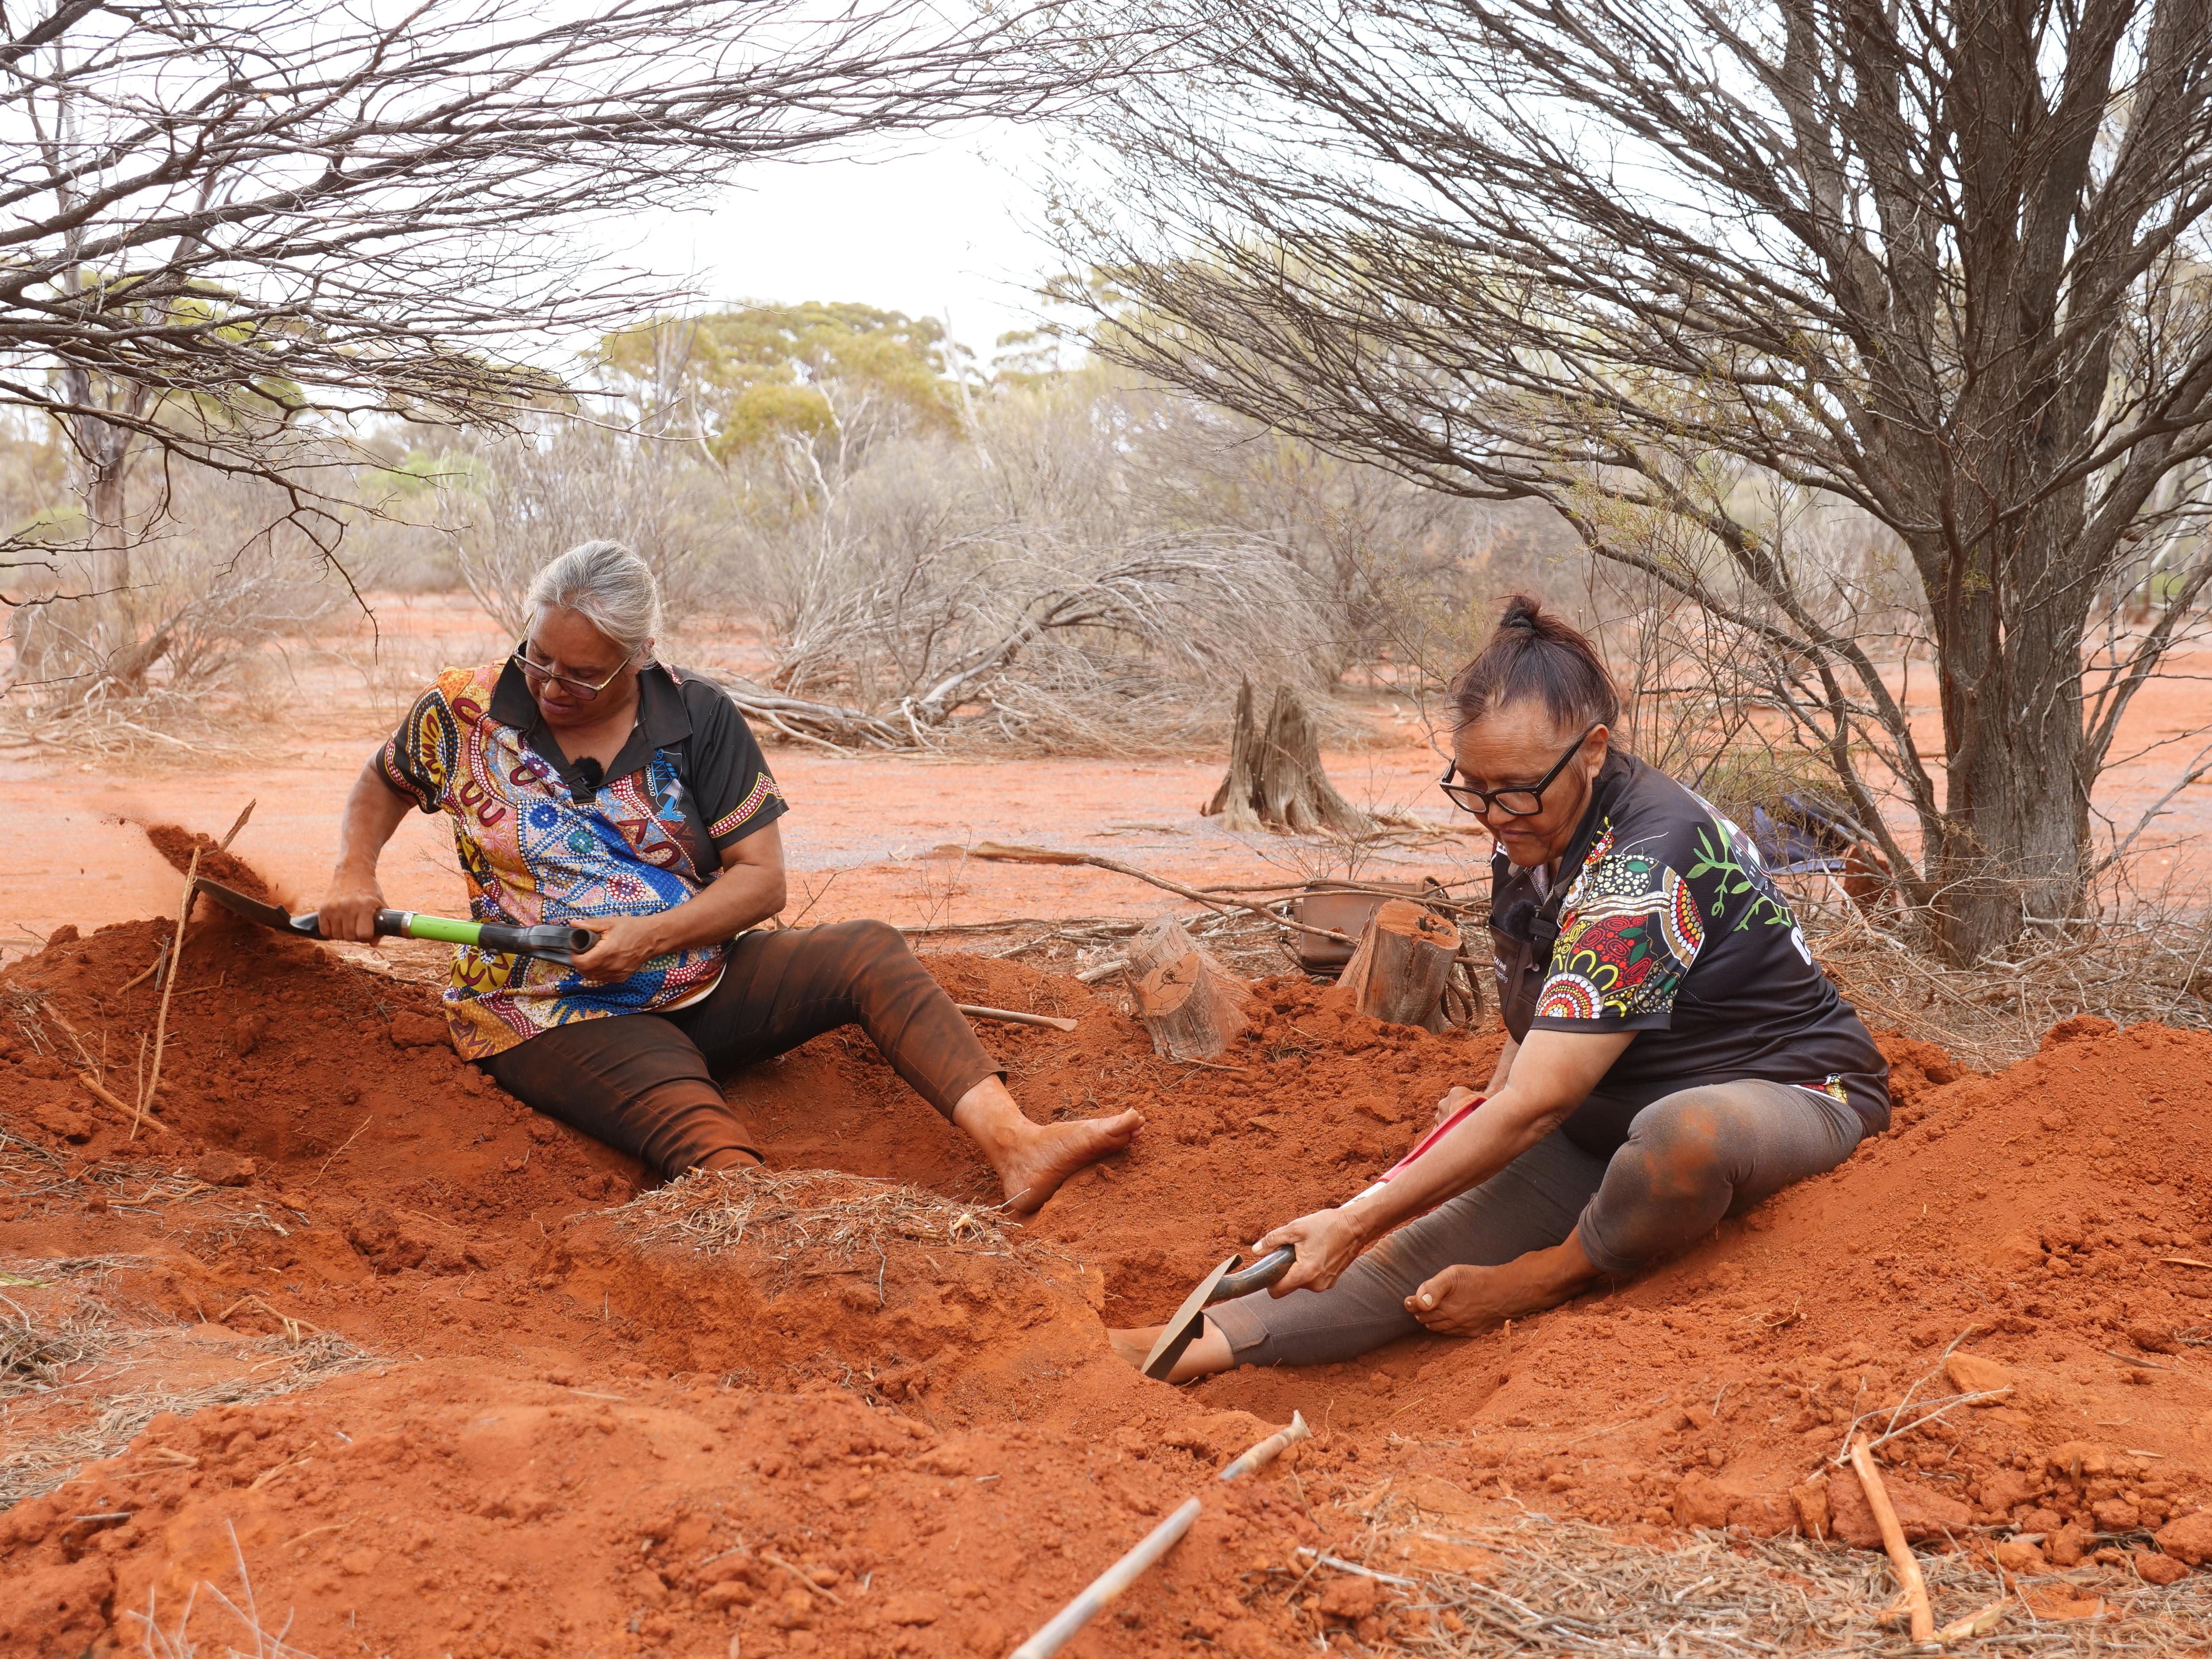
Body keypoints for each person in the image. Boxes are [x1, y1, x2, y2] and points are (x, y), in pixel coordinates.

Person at [1112, 595, 1887, 1377]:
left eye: (1514, 788)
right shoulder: (1533, 829)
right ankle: (1170, 1350)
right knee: (1398, 1259)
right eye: (1472, 787)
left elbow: (1542, 1099)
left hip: (1788, 1096)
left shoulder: (1646, 861)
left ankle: (1554, 1274)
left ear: (1593, 750)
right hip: (1605, 1120)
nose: (1492, 814)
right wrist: (1431, 1154)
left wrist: (1361, 1215)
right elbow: (1535, 1017)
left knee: (1686, 1133)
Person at [319, 539, 1140, 1210]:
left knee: (869, 950)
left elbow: (762, 881)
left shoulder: (697, 716)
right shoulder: (462, 711)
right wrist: (356, 872)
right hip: (548, 1007)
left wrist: (652, 936)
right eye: (538, 658)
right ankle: (776, 1245)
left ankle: (1017, 1143)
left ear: (639, 658)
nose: (550, 687)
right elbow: (386, 778)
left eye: (584, 674)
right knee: (710, 1146)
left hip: (694, 975)